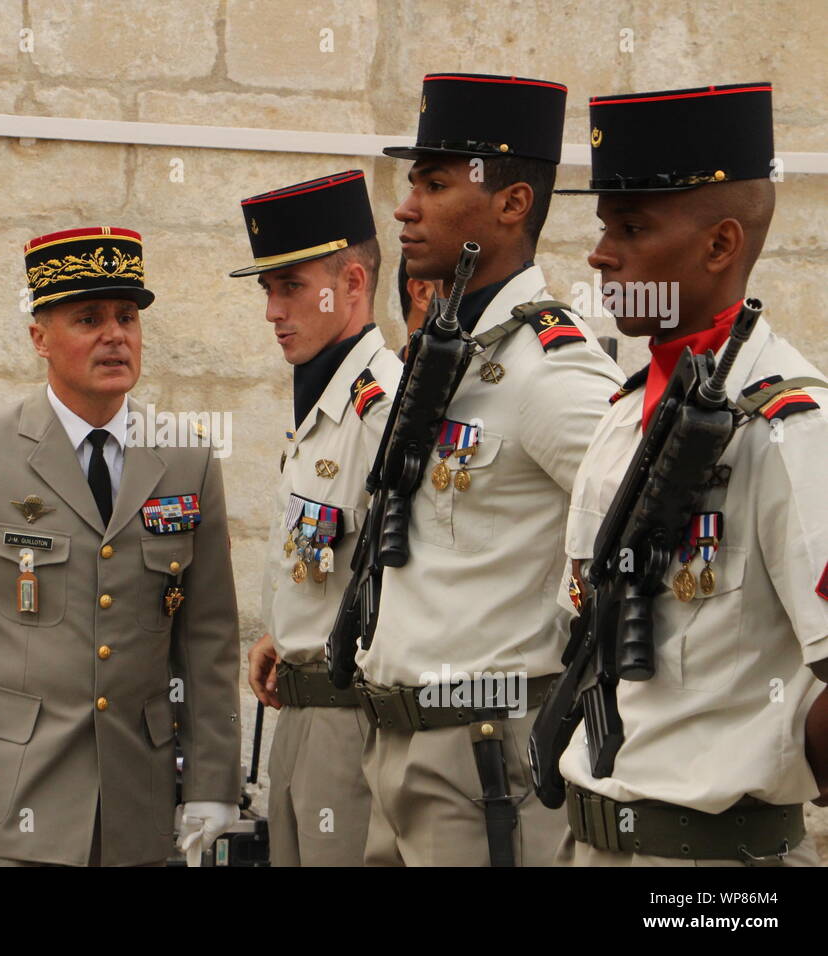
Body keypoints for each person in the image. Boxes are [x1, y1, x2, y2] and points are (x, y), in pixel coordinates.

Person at [0, 227, 242, 867]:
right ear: (39, 338)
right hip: (9, 797)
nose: (115, 335)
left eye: (127, 317)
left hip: (137, 803)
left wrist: (214, 782)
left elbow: (208, 637)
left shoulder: (186, 457)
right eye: (88, 318)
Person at [551, 82, 828, 866]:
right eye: (605, 226)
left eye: (631, 228)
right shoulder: (623, 413)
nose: (601, 253)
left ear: (719, 245)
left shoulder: (790, 427)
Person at [355, 73, 624, 866]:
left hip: (481, 759)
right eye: (413, 183)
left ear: (511, 204)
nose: (406, 206)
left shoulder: (550, 369)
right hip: (404, 748)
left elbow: (657, 527)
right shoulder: (453, 348)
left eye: (435, 184)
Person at [232, 170, 402, 865]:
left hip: (351, 720)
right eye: (268, 290)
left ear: (352, 284)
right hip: (297, 712)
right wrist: (289, 629)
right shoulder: (325, 405)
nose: (273, 310)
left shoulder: (383, 407)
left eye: (291, 286)